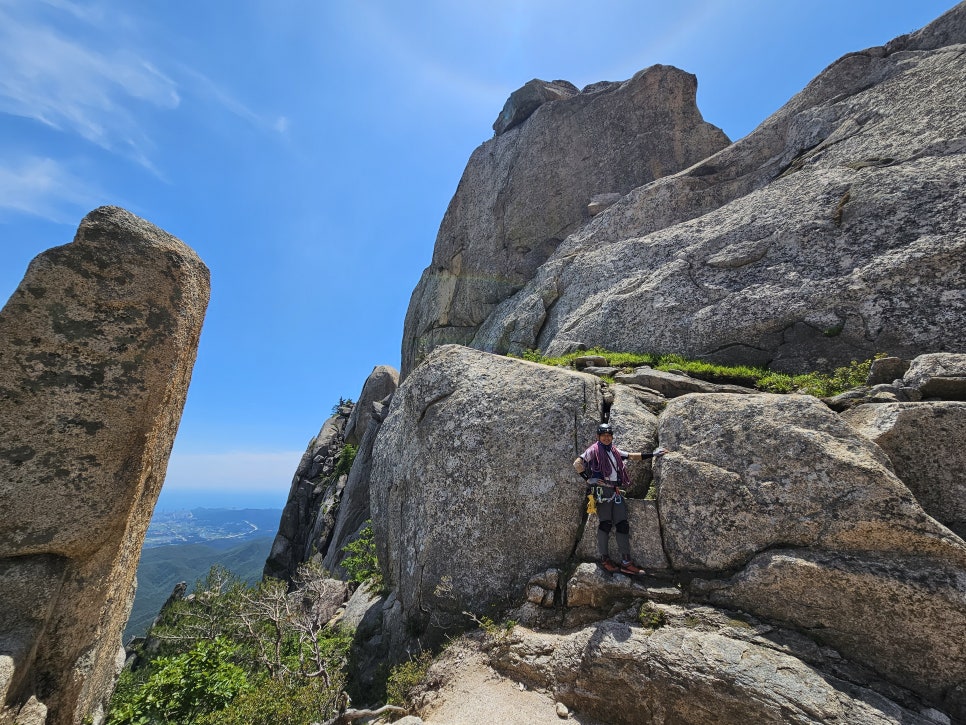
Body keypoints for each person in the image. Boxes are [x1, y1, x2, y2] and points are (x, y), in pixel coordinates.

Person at [573, 423, 666, 575]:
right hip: (603, 491)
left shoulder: (614, 451)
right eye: (603, 435)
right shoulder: (593, 450)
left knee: (622, 524)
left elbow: (631, 456)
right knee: (605, 524)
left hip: (615, 491)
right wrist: (589, 479)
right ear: (598, 437)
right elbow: (577, 463)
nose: (606, 437)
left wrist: (654, 454)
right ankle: (605, 559)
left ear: (612, 436)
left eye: (609, 435)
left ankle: (626, 562)